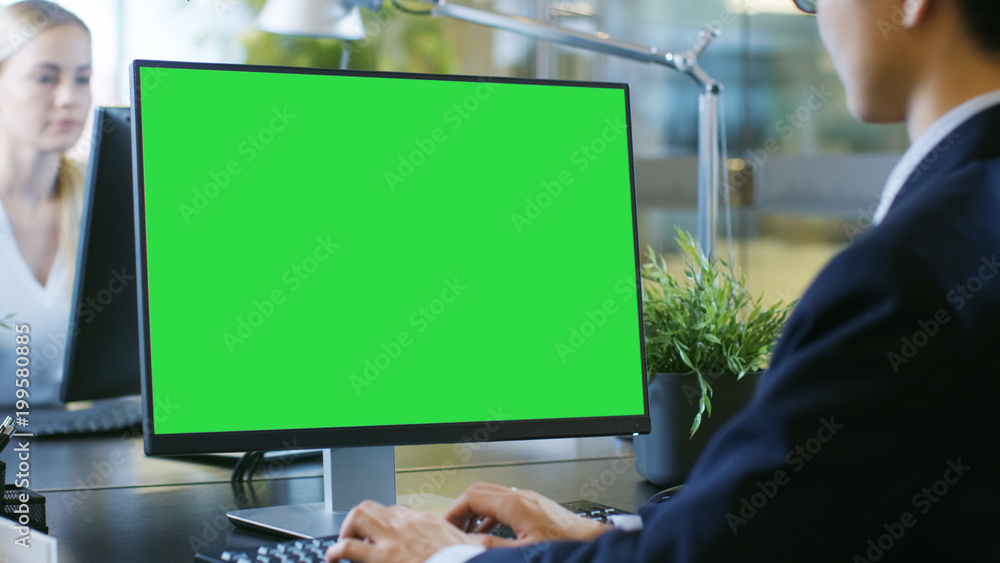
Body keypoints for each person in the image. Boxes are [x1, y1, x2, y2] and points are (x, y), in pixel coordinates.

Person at [325, 0, 1000, 560]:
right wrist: (612, 537)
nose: (817, 18)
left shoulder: (903, 274)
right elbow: (806, 522)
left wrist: (447, 556)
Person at [0, 1, 92, 407]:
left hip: (89, 446)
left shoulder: (105, 202)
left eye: (83, 78)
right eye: (45, 78)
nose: (70, 98)